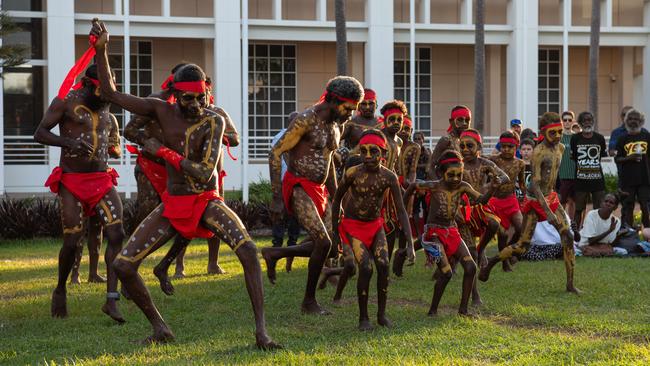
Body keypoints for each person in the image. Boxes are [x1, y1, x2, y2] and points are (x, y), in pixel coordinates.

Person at [91, 20, 279, 348]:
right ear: (174, 95)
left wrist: (161, 151)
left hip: (205, 200)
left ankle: (262, 331)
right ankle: (160, 328)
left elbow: (205, 174)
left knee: (248, 250)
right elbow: (110, 94)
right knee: (123, 264)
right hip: (173, 202)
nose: (194, 105)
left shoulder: (214, 120)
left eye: (199, 97)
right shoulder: (159, 109)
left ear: (207, 92)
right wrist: (102, 49)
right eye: (186, 98)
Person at [261, 75, 363, 315]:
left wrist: (336, 198)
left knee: (331, 246)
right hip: (298, 186)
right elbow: (276, 153)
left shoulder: (337, 125)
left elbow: (327, 164)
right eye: (347, 108)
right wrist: (276, 198)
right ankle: (309, 302)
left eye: (353, 109)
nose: (350, 114)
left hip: (320, 190)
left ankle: (276, 253)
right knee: (324, 242)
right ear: (333, 100)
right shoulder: (305, 120)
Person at [34, 57, 125, 322]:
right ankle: (60, 289)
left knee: (117, 233)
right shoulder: (65, 101)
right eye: (103, 89)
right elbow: (39, 133)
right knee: (73, 241)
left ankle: (112, 299)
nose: (107, 95)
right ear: (88, 84)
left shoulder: (107, 103)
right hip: (72, 182)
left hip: (102, 180)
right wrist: (68, 143)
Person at [480, 112, 581, 295]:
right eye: (553, 133)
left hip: (551, 198)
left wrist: (553, 205)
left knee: (568, 237)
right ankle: (492, 262)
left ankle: (570, 284)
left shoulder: (561, 149)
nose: (558, 136)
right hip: (535, 202)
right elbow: (533, 185)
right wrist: (547, 212)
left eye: (560, 132)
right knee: (523, 245)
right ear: (543, 131)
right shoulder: (538, 153)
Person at [331, 130, 414, 330]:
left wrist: (410, 243)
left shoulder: (389, 177)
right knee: (366, 268)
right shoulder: (352, 173)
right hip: (353, 227)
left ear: (382, 154)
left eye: (373, 151)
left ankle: (381, 315)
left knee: (384, 265)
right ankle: (363, 318)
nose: (368, 156)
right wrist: (335, 234)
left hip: (375, 226)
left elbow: (402, 211)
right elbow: (336, 201)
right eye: (364, 151)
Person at [403, 150, 495, 316]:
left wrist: (492, 188)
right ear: (441, 173)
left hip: (452, 232)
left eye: (459, 175)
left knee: (470, 267)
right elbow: (413, 185)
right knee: (446, 273)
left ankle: (463, 310)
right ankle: (432, 310)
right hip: (433, 235)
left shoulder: (463, 186)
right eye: (450, 175)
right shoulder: (434, 186)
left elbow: (481, 200)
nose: (455, 179)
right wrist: (402, 205)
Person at [488, 131, 526, 272]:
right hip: (495, 201)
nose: (506, 149)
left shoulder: (520, 163)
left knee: (521, 228)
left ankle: (509, 250)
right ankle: (505, 263)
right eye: (503, 146)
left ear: (515, 147)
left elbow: (521, 183)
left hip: (511, 200)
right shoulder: (494, 160)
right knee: (502, 234)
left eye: (510, 147)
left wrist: (526, 196)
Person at [270, 112, 301, 273]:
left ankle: (292, 250)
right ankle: (276, 248)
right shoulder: (279, 137)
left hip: (297, 185)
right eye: (293, 121)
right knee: (279, 217)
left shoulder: (303, 136)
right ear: (289, 122)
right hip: (282, 184)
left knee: (295, 218)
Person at [570, 111, 607, 228]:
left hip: (597, 180)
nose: (587, 122)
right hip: (581, 180)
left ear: (593, 122)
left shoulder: (600, 138)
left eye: (589, 120)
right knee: (579, 209)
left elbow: (601, 156)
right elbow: (574, 157)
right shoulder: (575, 138)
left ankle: (597, 232)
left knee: (598, 209)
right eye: (584, 120)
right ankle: (576, 235)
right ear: (580, 123)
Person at [614, 108, 650, 228]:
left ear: (641, 121)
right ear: (625, 121)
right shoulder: (622, 138)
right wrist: (630, 158)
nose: (633, 121)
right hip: (627, 180)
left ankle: (648, 234)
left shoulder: (647, 136)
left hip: (645, 179)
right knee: (628, 207)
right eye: (630, 118)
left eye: (636, 119)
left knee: (646, 206)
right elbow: (617, 159)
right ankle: (627, 233)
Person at [427, 105, 471, 179]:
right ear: (451, 122)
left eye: (467, 120)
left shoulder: (468, 143)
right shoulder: (446, 141)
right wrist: (440, 186)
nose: (464, 123)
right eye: (460, 120)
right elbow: (429, 168)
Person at [558, 110, 577, 219]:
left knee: (573, 202)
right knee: (562, 202)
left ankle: (573, 225)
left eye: (569, 120)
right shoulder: (558, 137)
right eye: (565, 120)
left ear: (573, 121)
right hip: (562, 174)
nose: (567, 122)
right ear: (562, 121)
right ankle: (562, 224)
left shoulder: (576, 137)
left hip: (575, 174)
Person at [413, 131, 431, 235]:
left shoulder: (427, 151)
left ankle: (426, 231)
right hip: (414, 184)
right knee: (415, 209)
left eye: (419, 139)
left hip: (426, 183)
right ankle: (418, 233)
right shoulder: (411, 152)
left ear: (423, 140)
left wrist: (417, 166)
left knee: (426, 208)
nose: (417, 141)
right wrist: (423, 166)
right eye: (415, 139)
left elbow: (429, 166)